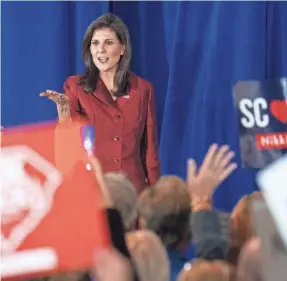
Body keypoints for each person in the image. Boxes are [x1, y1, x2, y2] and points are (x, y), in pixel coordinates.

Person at [40, 13, 161, 193]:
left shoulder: (143, 89)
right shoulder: (75, 87)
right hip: (93, 191)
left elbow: (150, 152)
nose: (100, 50)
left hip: (133, 194)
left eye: (108, 43)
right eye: (95, 43)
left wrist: (156, 197)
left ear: (122, 49)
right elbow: (68, 147)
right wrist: (64, 112)